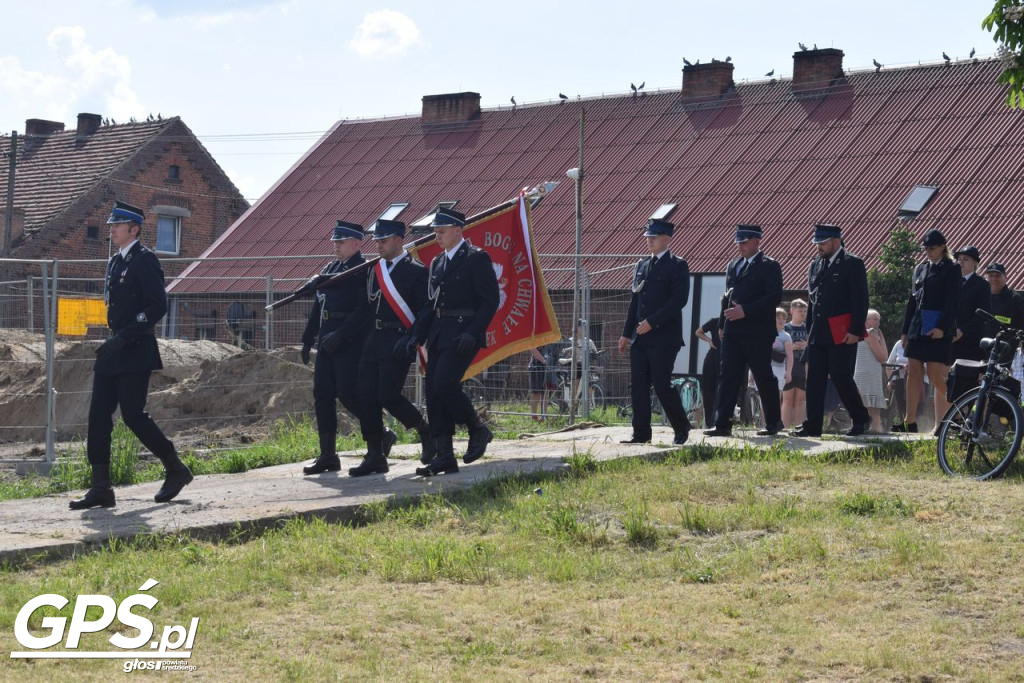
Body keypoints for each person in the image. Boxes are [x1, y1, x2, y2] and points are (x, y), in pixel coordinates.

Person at [70, 201, 192, 510]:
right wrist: (114, 339)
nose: (111, 229)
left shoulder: (145, 259)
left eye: (117, 225)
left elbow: (157, 306)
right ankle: (101, 488)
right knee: (98, 416)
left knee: (133, 415)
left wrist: (125, 336)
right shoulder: (115, 261)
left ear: (133, 229)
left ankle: (175, 468)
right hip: (114, 349)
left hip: (136, 349)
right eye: (111, 225)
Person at [411, 207, 500, 476]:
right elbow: (431, 304)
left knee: (445, 384)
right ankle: (445, 455)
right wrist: (416, 334)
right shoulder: (437, 262)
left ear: (459, 230)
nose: (437, 235)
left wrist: (473, 331)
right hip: (440, 332)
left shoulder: (476, 258)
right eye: (435, 231)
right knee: (433, 394)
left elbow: (490, 300)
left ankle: (477, 428)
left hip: (463, 332)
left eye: (442, 230)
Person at [349, 219, 435, 477]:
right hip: (375, 340)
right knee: (365, 396)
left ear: (399, 239)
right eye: (377, 241)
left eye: (383, 241)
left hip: (399, 339)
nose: (379, 246)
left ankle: (424, 429)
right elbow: (366, 307)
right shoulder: (375, 271)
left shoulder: (417, 271)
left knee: (387, 395)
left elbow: (425, 310)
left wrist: (413, 337)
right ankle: (375, 454)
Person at [300, 220, 371, 475]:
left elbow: (364, 309)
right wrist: (308, 339)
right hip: (327, 338)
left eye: (340, 243)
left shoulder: (362, 269)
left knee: (347, 393)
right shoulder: (330, 268)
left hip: (348, 341)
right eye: (334, 243)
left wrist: (342, 335)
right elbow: (319, 306)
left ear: (356, 243)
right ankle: (328, 455)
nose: (336, 247)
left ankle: (379, 433)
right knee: (323, 394)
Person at [793, 223, 872, 437]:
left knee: (840, 376)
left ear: (835, 241)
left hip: (842, 332)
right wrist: (810, 331)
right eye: (817, 242)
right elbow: (814, 301)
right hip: (819, 332)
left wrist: (855, 330)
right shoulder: (816, 265)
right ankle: (813, 424)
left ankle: (861, 418)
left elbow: (860, 299)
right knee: (815, 378)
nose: (818, 246)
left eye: (822, 242)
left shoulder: (852, 263)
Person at [617, 218, 692, 445]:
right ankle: (641, 433)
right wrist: (626, 332)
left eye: (654, 237)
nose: (649, 241)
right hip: (641, 338)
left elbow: (678, 300)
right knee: (638, 385)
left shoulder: (677, 265)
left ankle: (681, 427)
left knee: (661, 384)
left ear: (666, 239)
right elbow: (635, 301)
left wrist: (653, 321)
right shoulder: (641, 265)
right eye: (648, 237)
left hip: (664, 338)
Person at [705, 224, 784, 437]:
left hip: (757, 331)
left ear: (757, 241)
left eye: (745, 241)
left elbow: (774, 296)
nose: (740, 245)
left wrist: (746, 311)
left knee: (762, 375)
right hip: (733, 331)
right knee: (728, 375)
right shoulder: (734, 265)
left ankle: (773, 422)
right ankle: (722, 423)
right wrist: (722, 323)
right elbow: (727, 296)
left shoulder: (769, 266)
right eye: (738, 242)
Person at [892, 228, 960, 434]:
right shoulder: (920, 268)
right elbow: (913, 300)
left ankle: (958, 412)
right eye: (926, 248)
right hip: (918, 325)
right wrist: (905, 331)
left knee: (935, 373)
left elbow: (952, 302)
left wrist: (942, 328)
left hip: (939, 326)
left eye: (932, 248)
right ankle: (909, 421)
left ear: (942, 247)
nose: (928, 252)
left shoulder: (951, 269)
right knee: (913, 370)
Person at [951, 245, 989, 362]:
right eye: (959, 259)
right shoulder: (950, 283)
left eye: (966, 259)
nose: (961, 262)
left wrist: (963, 330)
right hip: (949, 340)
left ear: (975, 263)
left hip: (970, 343)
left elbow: (983, 314)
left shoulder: (982, 285)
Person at [854, 309, 889, 432]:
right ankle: (876, 428)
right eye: (875, 319)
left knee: (861, 401)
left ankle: (860, 427)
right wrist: (881, 337)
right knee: (873, 405)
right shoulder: (870, 333)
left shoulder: (858, 334)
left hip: (860, 371)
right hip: (869, 372)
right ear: (866, 321)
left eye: (879, 319)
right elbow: (883, 357)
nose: (878, 322)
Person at [782, 299, 808, 427]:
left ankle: (799, 427)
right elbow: (776, 347)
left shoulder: (809, 328)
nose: (803, 314)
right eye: (799, 311)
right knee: (787, 400)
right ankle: (785, 428)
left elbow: (816, 347)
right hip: (788, 369)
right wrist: (790, 348)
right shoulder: (785, 328)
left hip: (803, 370)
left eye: (804, 311)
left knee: (800, 401)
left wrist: (806, 346)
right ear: (792, 311)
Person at [694, 317, 721, 428]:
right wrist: (709, 340)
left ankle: (718, 423)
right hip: (711, 359)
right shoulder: (715, 321)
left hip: (725, 360)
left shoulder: (736, 323)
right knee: (708, 393)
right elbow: (698, 332)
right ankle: (709, 423)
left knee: (720, 393)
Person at [984, 262, 1024, 333]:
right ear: (986, 278)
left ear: (1005, 277)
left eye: (997, 276)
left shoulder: (1015, 300)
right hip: (980, 342)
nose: (994, 279)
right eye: (991, 276)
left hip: (1006, 342)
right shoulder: (980, 298)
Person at [527, 344, 557, 421]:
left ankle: (544, 416)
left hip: (548, 367)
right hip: (536, 367)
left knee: (546, 392)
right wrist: (543, 360)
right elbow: (531, 347)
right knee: (536, 392)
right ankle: (534, 416)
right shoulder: (534, 335)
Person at [770, 308, 794, 404]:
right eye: (778, 318)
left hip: (779, 370)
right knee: (763, 399)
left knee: (776, 399)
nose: (781, 320)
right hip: (765, 368)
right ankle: (763, 419)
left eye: (783, 318)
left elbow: (790, 356)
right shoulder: (765, 333)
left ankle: (775, 419)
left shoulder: (786, 336)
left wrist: (788, 372)